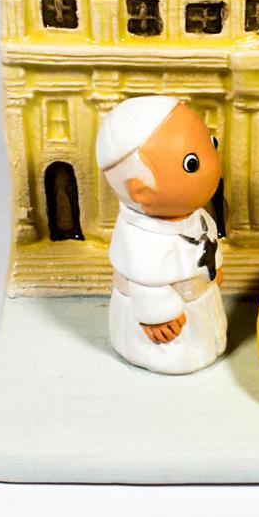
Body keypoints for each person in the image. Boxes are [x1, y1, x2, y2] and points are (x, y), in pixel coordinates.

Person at [96, 96, 226, 375]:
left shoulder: (196, 215)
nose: (214, 163)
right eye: (192, 163)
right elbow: (146, 285)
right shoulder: (140, 240)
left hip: (200, 301)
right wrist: (156, 316)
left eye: (212, 144)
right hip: (171, 318)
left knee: (205, 337)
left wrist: (214, 270)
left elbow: (207, 243)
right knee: (176, 351)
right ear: (140, 192)